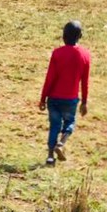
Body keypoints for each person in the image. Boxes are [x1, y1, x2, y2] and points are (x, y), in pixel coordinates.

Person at [39, 20, 91, 166]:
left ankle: (50, 157)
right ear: (80, 36)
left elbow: (50, 78)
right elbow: (85, 81)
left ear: (63, 36)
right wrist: (85, 102)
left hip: (54, 98)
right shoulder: (85, 55)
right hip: (71, 99)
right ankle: (61, 144)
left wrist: (43, 98)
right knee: (69, 122)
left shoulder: (57, 53)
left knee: (54, 125)